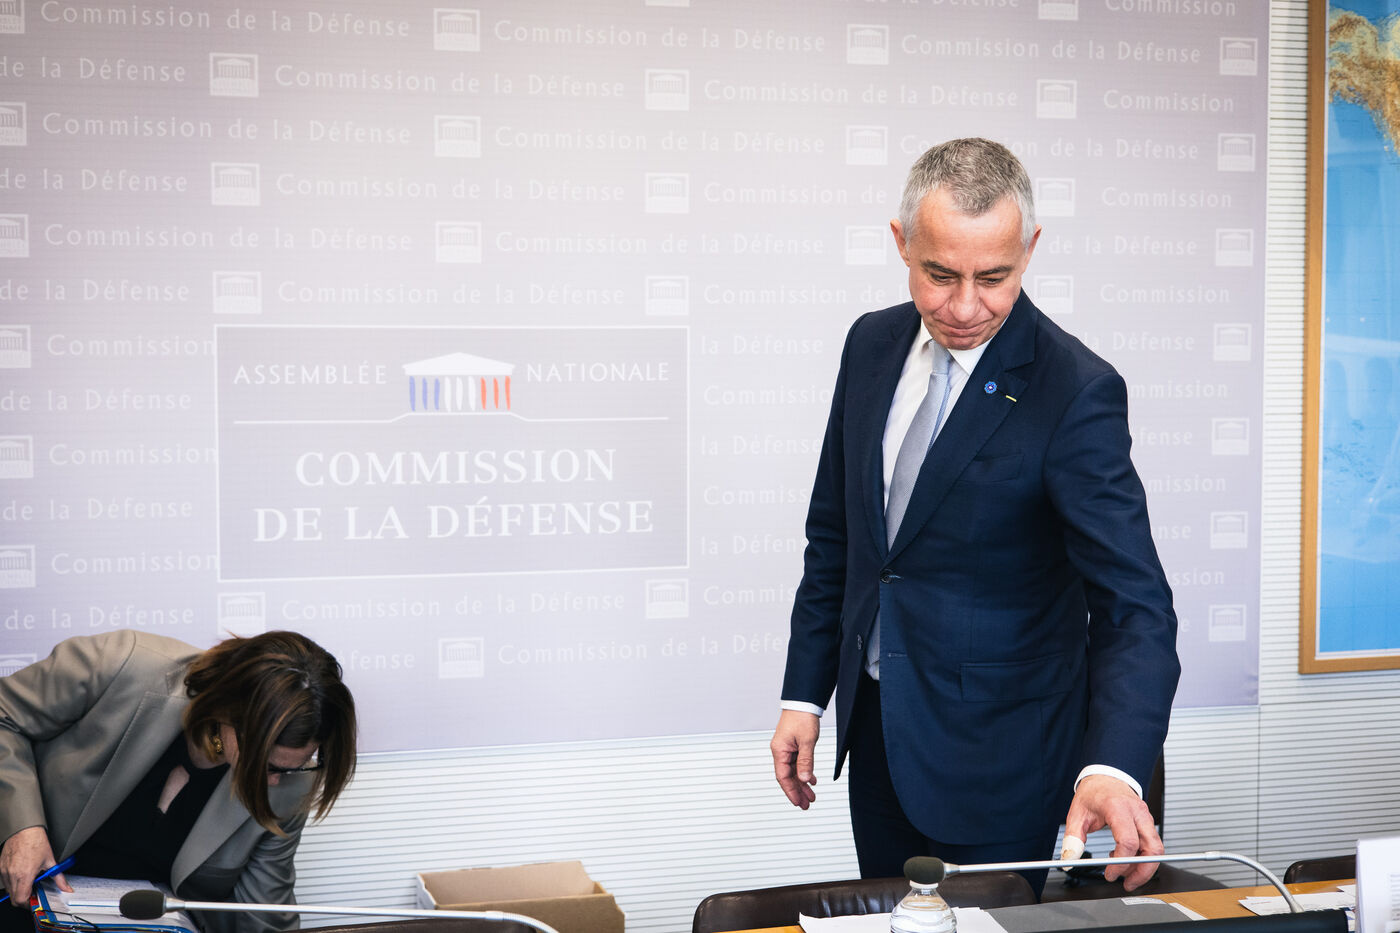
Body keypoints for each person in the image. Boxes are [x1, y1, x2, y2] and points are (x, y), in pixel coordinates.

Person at [769, 138, 1181, 894]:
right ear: (902, 243)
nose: (964, 307)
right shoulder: (870, 344)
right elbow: (839, 539)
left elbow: (1137, 606)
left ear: (1030, 250)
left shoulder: (1074, 390)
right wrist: (805, 693)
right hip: (880, 740)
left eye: (993, 278)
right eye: (939, 275)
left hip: (1007, 762)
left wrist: (1112, 766)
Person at [0, 630, 357, 933]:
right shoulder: (123, 662)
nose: (275, 782)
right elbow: (5, 715)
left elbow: (261, 918)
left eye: (294, 767)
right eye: (266, 764)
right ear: (229, 713)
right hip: (17, 901)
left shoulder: (291, 784)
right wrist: (22, 827)